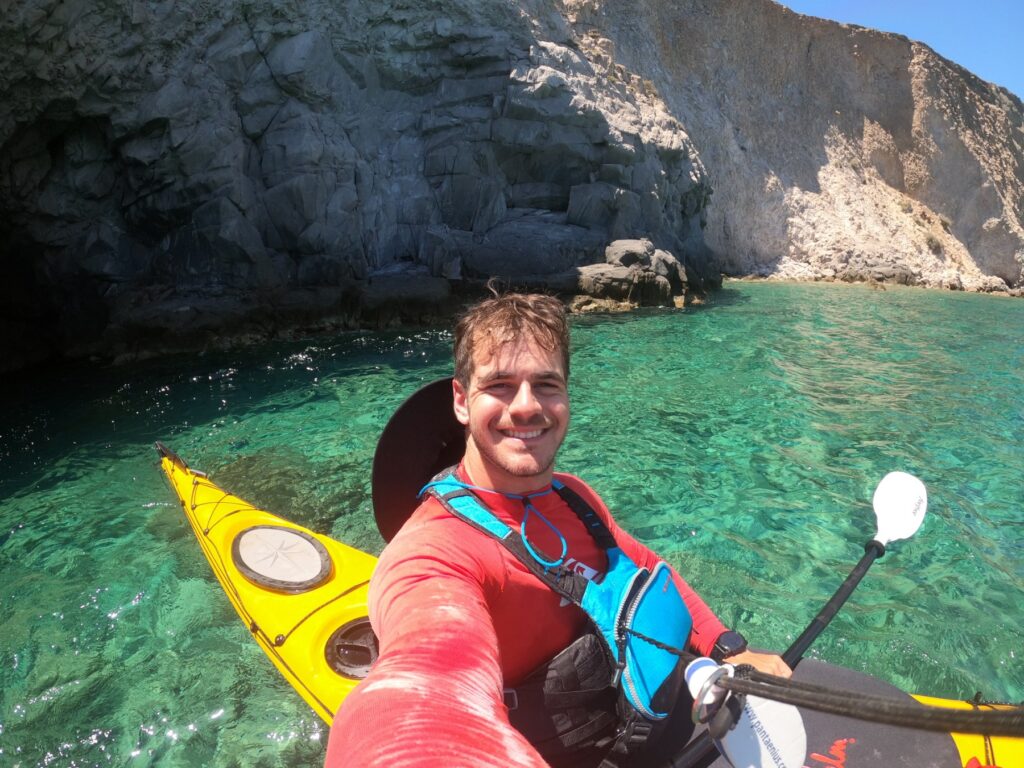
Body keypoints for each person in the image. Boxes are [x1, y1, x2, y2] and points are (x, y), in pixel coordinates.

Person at [326, 292, 790, 768]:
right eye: (500, 385)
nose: (527, 407)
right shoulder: (432, 553)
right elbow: (426, 684)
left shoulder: (573, 495)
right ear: (462, 401)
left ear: (567, 395)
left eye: (546, 384)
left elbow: (645, 566)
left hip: (650, 715)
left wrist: (727, 649)